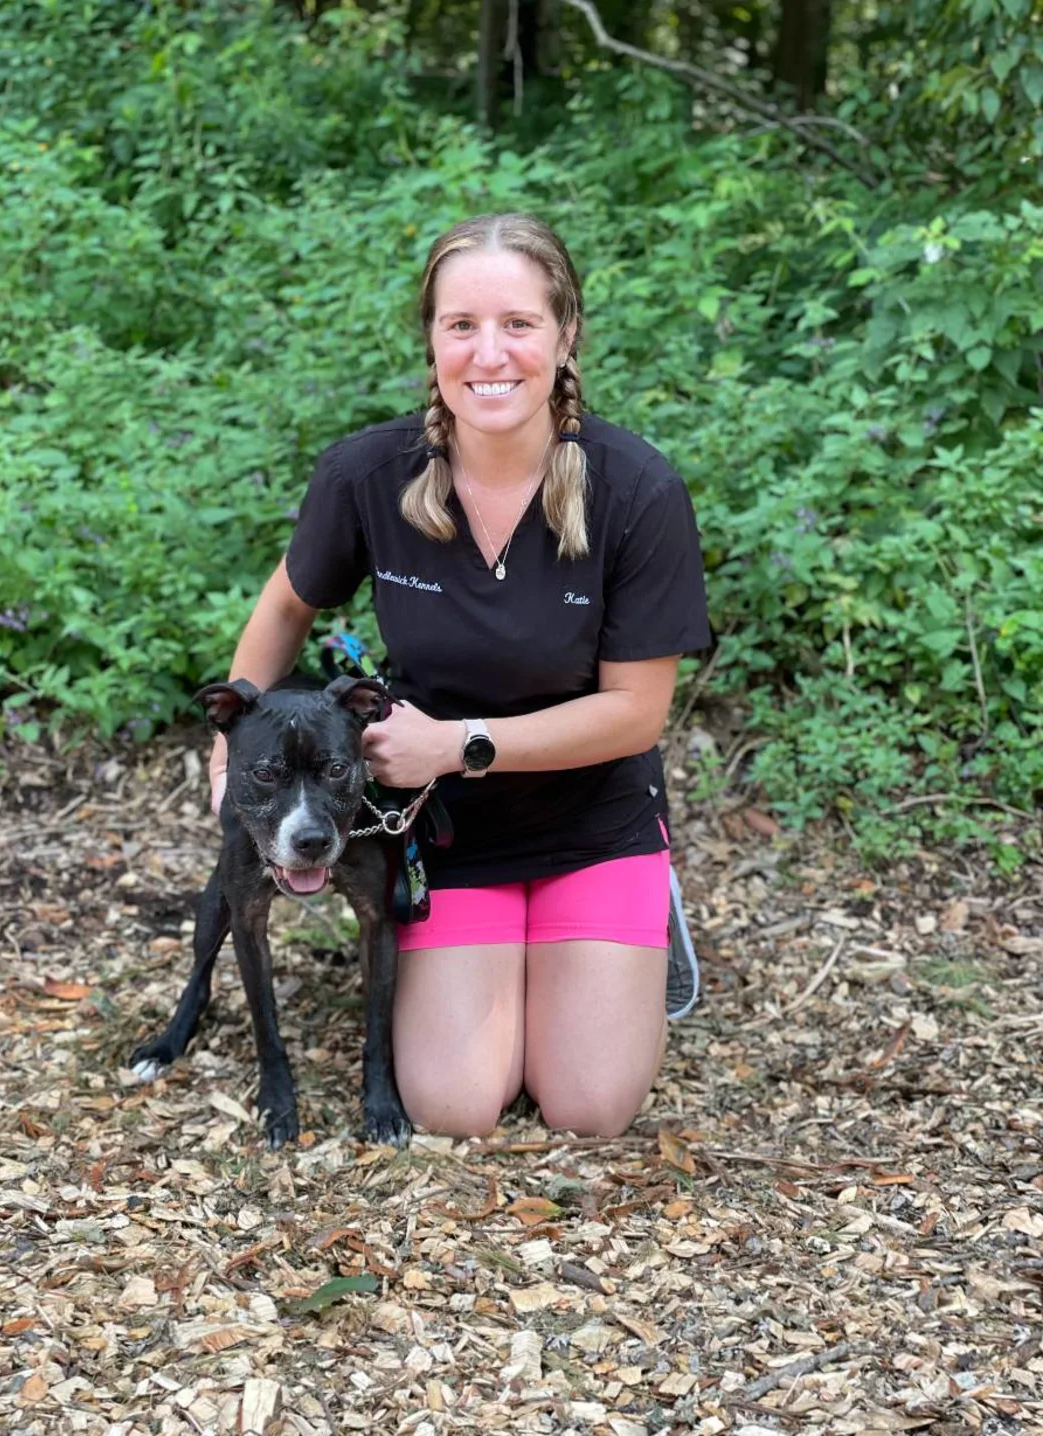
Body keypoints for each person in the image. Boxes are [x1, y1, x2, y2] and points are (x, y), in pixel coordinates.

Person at [208, 213, 710, 1139]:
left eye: (519, 324)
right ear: (432, 340)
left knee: (588, 1108)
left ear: (566, 336)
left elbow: (637, 714)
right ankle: (515, 960)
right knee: (455, 1107)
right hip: (440, 828)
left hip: (592, 818)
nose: (489, 354)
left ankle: (639, 912)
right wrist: (228, 751)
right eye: (461, 325)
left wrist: (457, 744)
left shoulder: (637, 491)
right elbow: (283, 609)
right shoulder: (368, 474)